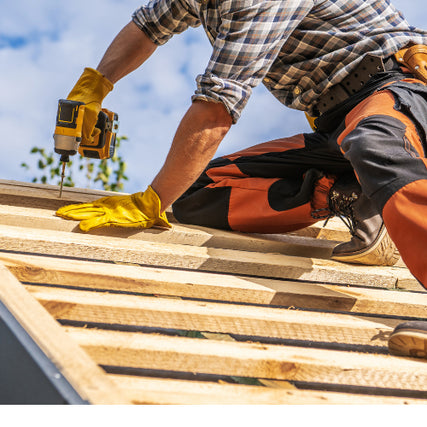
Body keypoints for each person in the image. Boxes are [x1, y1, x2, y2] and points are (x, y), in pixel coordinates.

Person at [56, 0, 427, 359]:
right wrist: (96, 84)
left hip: (401, 91)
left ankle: (375, 182)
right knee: (196, 192)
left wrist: (149, 201)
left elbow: (217, 107)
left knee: (375, 143)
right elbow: (149, 25)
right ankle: (354, 196)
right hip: (337, 122)